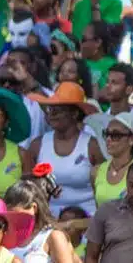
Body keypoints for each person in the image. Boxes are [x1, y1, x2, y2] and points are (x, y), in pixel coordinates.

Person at [25, 82, 105, 216]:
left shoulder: (92, 146)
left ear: (74, 114)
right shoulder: (37, 145)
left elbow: (103, 188)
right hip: (49, 218)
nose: (52, 114)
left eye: (59, 109)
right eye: (51, 109)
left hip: (86, 219)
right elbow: (27, 184)